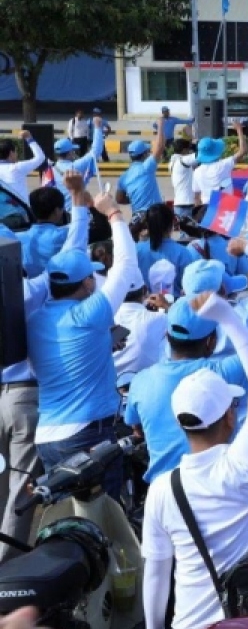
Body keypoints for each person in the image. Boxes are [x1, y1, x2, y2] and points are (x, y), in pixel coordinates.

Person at [140, 290, 248, 629]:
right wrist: (226, 317)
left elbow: (156, 571)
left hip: (192, 628)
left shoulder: (162, 488)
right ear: (230, 418)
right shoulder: (246, 463)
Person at [128, 250, 248, 479]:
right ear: (210, 342)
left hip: (162, 488)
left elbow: (136, 428)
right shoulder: (221, 373)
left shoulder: (141, 380)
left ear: (167, 336)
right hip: (215, 487)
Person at [0, 172, 90, 562]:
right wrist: (79, 202)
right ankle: (6, 566)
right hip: (24, 400)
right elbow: (74, 247)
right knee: (21, 489)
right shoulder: (30, 292)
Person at [26, 191, 138, 500]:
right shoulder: (90, 313)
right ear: (88, 282)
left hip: (47, 436)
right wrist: (113, 213)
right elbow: (126, 265)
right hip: (88, 433)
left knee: (66, 521)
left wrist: (102, 346)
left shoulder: (34, 319)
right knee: (103, 520)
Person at [112, 271, 169, 379]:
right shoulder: (159, 318)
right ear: (145, 290)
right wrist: (166, 306)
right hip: (145, 384)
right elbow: (183, 325)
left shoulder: (105, 318)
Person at [136, 204, 202, 293]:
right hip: (174, 300)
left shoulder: (136, 250)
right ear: (171, 224)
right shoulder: (183, 252)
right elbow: (190, 285)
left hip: (144, 300)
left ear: (147, 225)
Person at [191, 121, 248, 204]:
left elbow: (196, 197)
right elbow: (243, 151)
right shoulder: (223, 165)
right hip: (225, 205)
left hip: (207, 207)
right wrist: (239, 130)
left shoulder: (197, 172)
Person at [116, 125, 167, 215]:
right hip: (154, 215)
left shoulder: (123, 177)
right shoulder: (147, 167)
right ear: (144, 155)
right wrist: (161, 126)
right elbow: (160, 147)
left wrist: (135, 199)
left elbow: (119, 199)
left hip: (137, 216)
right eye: (148, 152)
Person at [49, 119, 103, 200]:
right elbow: (96, 151)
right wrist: (97, 127)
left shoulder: (51, 169)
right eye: (73, 151)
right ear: (70, 152)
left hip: (59, 207)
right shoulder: (75, 167)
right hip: (75, 206)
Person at [0, 131, 45, 206]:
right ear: (11, 153)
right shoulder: (16, 168)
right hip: (20, 209)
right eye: (16, 152)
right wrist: (29, 138)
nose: (16, 154)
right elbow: (40, 157)